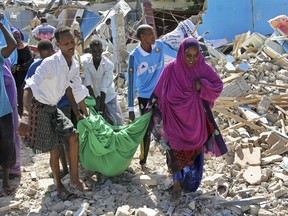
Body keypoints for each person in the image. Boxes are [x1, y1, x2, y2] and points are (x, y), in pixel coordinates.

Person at [147, 37, 224, 200]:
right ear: (181, 54)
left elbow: (218, 86)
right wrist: (148, 109)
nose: (191, 60)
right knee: (174, 152)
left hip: (195, 124)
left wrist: (202, 85)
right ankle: (176, 186)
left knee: (192, 178)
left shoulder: (203, 69)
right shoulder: (170, 70)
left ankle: (188, 182)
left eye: (195, 56)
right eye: (188, 55)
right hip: (173, 121)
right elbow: (157, 91)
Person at [18, 25, 89, 200]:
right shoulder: (49, 63)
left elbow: (73, 89)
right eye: (66, 44)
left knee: (73, 135)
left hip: (53, 106)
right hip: (39, 106)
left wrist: (81, 112)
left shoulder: (73, 62)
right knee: (55, 149)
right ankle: (58, 185)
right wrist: (25, 116)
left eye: (72, 42)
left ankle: (74, 179)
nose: (71, 46)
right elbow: (28, 87)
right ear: (58, 45)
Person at [127, 24, 177, 167]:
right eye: (150, 34)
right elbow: (131, 82)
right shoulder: (134, 56)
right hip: (145, 98)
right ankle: (143, 161)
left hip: (161, 94)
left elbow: (176, 54)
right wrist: (130, 108)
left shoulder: (159, 46)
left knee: (166, 127)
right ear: (142, 37)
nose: (154, 36)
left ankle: (171, 163)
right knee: (146, 129)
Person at [25, 39, 70, 176]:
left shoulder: (61, 62)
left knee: (66, 138)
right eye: (43, 57)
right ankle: (60, 174)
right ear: (38, 54)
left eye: (48, 56)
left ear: (52, 52)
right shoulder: (35, 67)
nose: (45, 60)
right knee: (54, 145)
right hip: (46, 108)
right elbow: (29, 86)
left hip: (62, 104)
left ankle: (68, 170)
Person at [82, 39, 123, 125]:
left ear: (102, 51)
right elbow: (88, 84)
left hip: (108, 95)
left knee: (117, 121)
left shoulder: (109, 65)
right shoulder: (86, 63)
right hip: (95, 94)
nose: (97, 54)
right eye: (94, 51)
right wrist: (94, 103)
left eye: (99, 51)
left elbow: (104, 88)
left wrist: (100, 110)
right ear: (90, 51)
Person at [0, 13, 18, 196]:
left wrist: (1, 25)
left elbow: (12, 45)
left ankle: (5, 182)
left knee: (6, 146)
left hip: (2, 110)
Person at [3, 59, 21, 178]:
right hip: (7, 103)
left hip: (7, 104)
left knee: (10, 136)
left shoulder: (2, 59)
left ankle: (13, 167)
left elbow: (7, 80)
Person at [11, 27, 34, 116]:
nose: (17, 39)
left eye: (18, 36)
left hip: (24, 77)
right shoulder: (9, 49)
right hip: (14, 78)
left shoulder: (25, 47)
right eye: (14, 37)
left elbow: (30, 62)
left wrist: (19, 67)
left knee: (23, 97)